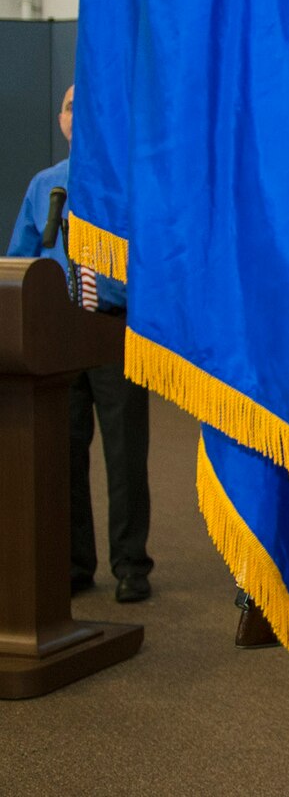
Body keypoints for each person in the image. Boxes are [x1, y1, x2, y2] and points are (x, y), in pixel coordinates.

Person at [6, 83, 150, 603]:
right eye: (69, 108)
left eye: (86, 107)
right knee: (63, 451)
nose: (76, 116)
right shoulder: (45, 186)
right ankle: (73, 561)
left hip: (113, 332)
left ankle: (132, 563)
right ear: (62, 121)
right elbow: (21, 260)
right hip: (55, 339)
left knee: (125, 453)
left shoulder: (127, 184)